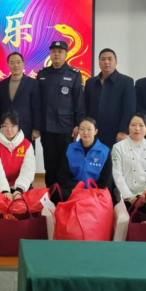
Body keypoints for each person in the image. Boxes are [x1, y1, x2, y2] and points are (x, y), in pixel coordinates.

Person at [37, 41, 85, 188]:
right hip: (47, 128)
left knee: (65, 163)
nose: (56, 54)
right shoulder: (42, 74)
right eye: (53, 51)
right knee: (49, 163)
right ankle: (50, 194)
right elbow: (37, 102)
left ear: (66, 54)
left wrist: (78, 125)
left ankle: (64, 194)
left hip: (66, 128)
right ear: (50, 54)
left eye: (60, 51)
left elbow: (79, 102)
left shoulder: (74, 74)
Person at [112, 113, 146, 207]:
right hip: (125, 195)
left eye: (141, 125)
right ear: (128, 127)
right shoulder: (118, 147)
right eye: (133, 125)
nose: (137, 129)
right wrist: (131, 198)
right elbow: (117, 174)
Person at [84, 48, 135, 148]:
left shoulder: (126, 82)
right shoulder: (90, 82)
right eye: (103, 59)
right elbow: (85, 107)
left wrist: (123, 130)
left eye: (110, 59)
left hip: (116, 133)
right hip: (93, 132)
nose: (106, 62)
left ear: (116, 62)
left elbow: (129, 109)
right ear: (99, 62)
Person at [56, 117, 112, 202]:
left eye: (89, 129)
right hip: (73, 190)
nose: (85, 133)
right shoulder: (70, 149)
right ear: (79, 131)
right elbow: (63, 175)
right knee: (55, 193)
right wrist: (74, 188)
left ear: (96, 131)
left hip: (94, 193)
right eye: (82, 129)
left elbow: (106, 180)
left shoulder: (105, 152)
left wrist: (91, 193)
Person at [0, 111, 36, 200]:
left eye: (13, 126)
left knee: (27, 203)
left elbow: (28, 170)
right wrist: (4, 191)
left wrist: (19, 189)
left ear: (18, 127)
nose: (9, 129)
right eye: (5, 125)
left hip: (20, 186)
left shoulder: (27, 145)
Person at [0, 52, 41, 143]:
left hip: (26, 127)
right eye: (12, 63)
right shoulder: (2, 84)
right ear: (8, 65)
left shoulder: (33, 83)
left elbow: (37, 108)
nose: (15, 65)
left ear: (23, 64)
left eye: (18, 62)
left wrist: (36, 129)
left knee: (25, 151)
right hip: (7, 128)